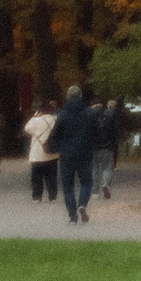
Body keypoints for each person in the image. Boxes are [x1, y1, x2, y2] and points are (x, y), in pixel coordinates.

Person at [55, 84, 95, 223]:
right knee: (86, 181)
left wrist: (52, 148)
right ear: (81, 96)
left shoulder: (62, 114)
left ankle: (72, 216)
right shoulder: (89, 113)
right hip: (85, 153)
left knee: (67, 186)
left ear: (67, 96)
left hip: (67, 154)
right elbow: (95, 132)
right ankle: (82, 204)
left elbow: (56, 134)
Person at [24, 99, 60, 202]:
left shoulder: (36, 120)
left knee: (37, 177)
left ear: (40, 111)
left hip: (38, 153)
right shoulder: (55, 119)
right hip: (52, 152)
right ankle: (52, 197)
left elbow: (27, 128)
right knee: (52, 177)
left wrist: (34, 117)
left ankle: (37, 197)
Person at [90, 93, 120, 201]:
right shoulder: (110, 114)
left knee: (94, 169)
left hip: (93, 147)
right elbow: (115, 131)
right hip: (107, 146)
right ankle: (106, 184)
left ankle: (95, 192)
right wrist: (114, 144)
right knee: (107, 167)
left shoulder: (89, 114)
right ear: (102, 104)